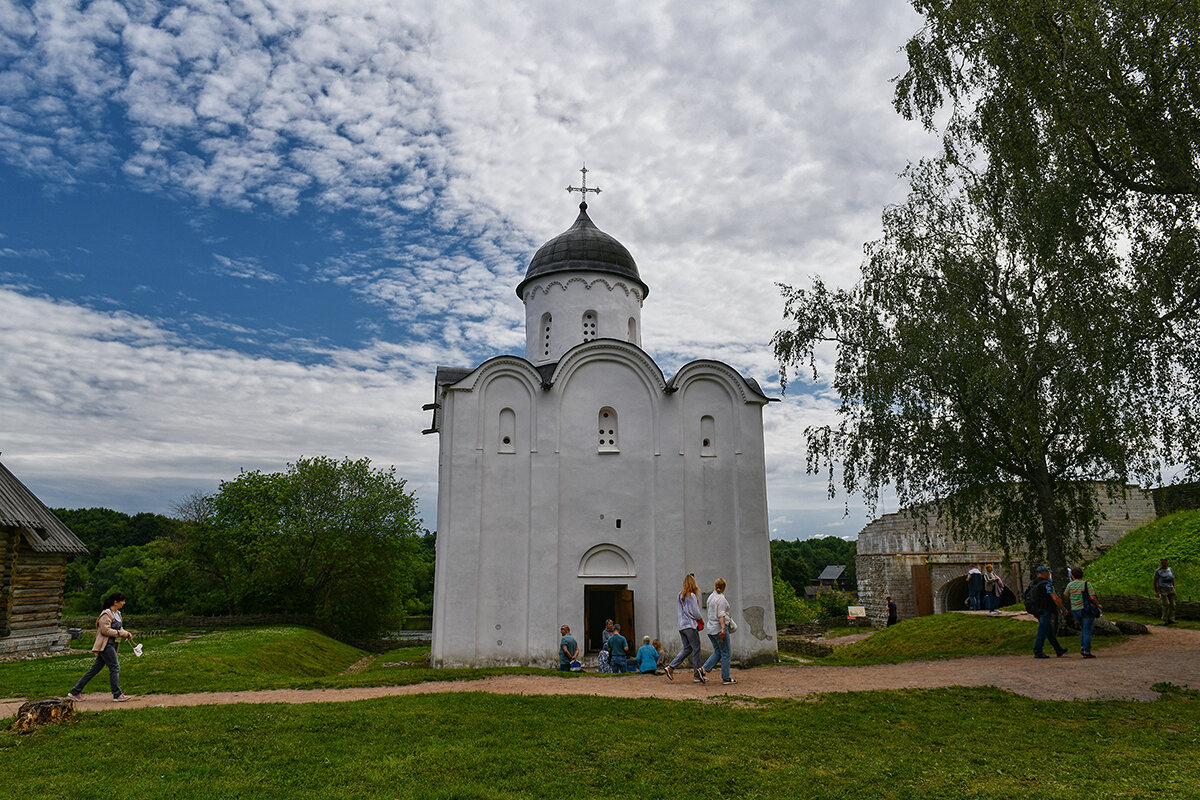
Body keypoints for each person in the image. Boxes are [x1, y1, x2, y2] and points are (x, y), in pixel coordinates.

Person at [67, 591, 134, 702]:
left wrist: (126, 633)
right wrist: (121, 633)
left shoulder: (118, 614)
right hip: (105, 645)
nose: (124, 603)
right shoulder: (106, 614)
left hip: (113, 644)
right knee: (115, 667)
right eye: (122, 601)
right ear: (115, 602)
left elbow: (119, 628)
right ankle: (117, 694)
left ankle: (75, 691)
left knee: (95, 669)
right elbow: (105, 630)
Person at [665, 573, 706, 683]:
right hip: (690, 625)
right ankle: (697, 675)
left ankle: (671, 667)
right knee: (696, 649)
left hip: (681, 626)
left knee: (687, 648)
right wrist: (701, 620)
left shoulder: (680, 595)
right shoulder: (691, 596)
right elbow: (696, 612)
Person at [701, 577, 736, 685]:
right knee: (726, 653)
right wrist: (723, 629)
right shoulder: (721, 599)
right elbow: (721, 615)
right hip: (718, 629)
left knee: (718, 652)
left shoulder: (711, 597)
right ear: (724, 587)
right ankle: (726, 678)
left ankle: (702, 670)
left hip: (710, 629)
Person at [1029, 566, 1067, 659]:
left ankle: (1058, 649)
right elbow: (1055, 598)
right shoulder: (1046, 584)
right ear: (1043, 573)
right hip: (1045, 609)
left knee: (1048, 630)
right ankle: (1038, 651)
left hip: (1037, 610)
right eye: (1048, 572)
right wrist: (1063, 609)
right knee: (1042, 631)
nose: (1049, 574)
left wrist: (1034, 611)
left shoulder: (1033, 583)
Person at [1064, 567, 1102, 658]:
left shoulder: (1070, 585)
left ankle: (1082, 646)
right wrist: (1098, 605)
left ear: (1072, 576)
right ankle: (1086, 651)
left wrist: (1073, 599)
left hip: (1075, 610)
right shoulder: (1086, 584)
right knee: (1087, 630)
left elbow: (1065, 595)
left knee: (1083, 629)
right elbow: (1092, 597)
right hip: (1086, 609)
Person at [1154, 558, 1177, 625]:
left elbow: (1173, 579)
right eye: (1162, 563)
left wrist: (1173, 587)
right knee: (1166, 604)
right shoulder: (1158, 571)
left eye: (1164, 563)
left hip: (1171, 589)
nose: (1163, 564)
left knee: (1173, 604)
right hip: (1162, 589)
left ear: (1167, 563)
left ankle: (1171, 619)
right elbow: (1155, 582)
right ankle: (1165, 620)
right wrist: (1157, 591)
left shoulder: (1170, 569)